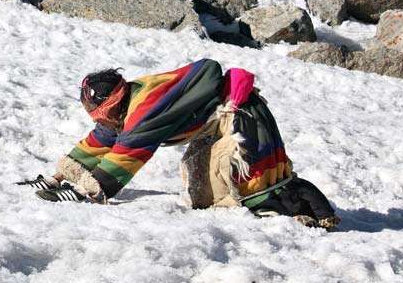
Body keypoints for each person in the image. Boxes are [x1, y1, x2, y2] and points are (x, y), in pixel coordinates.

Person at [18, 59, 339, 230]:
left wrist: (86, 191)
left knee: (242, 188)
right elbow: (102, 140)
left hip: (240, 121)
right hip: (221, 121)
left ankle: (299, 215)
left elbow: (126, 156)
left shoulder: (143, 111)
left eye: (99, 113)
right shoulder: (125, 104)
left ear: (112, 104)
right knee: (204, 190)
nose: (97, 120)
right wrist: (59, 176)